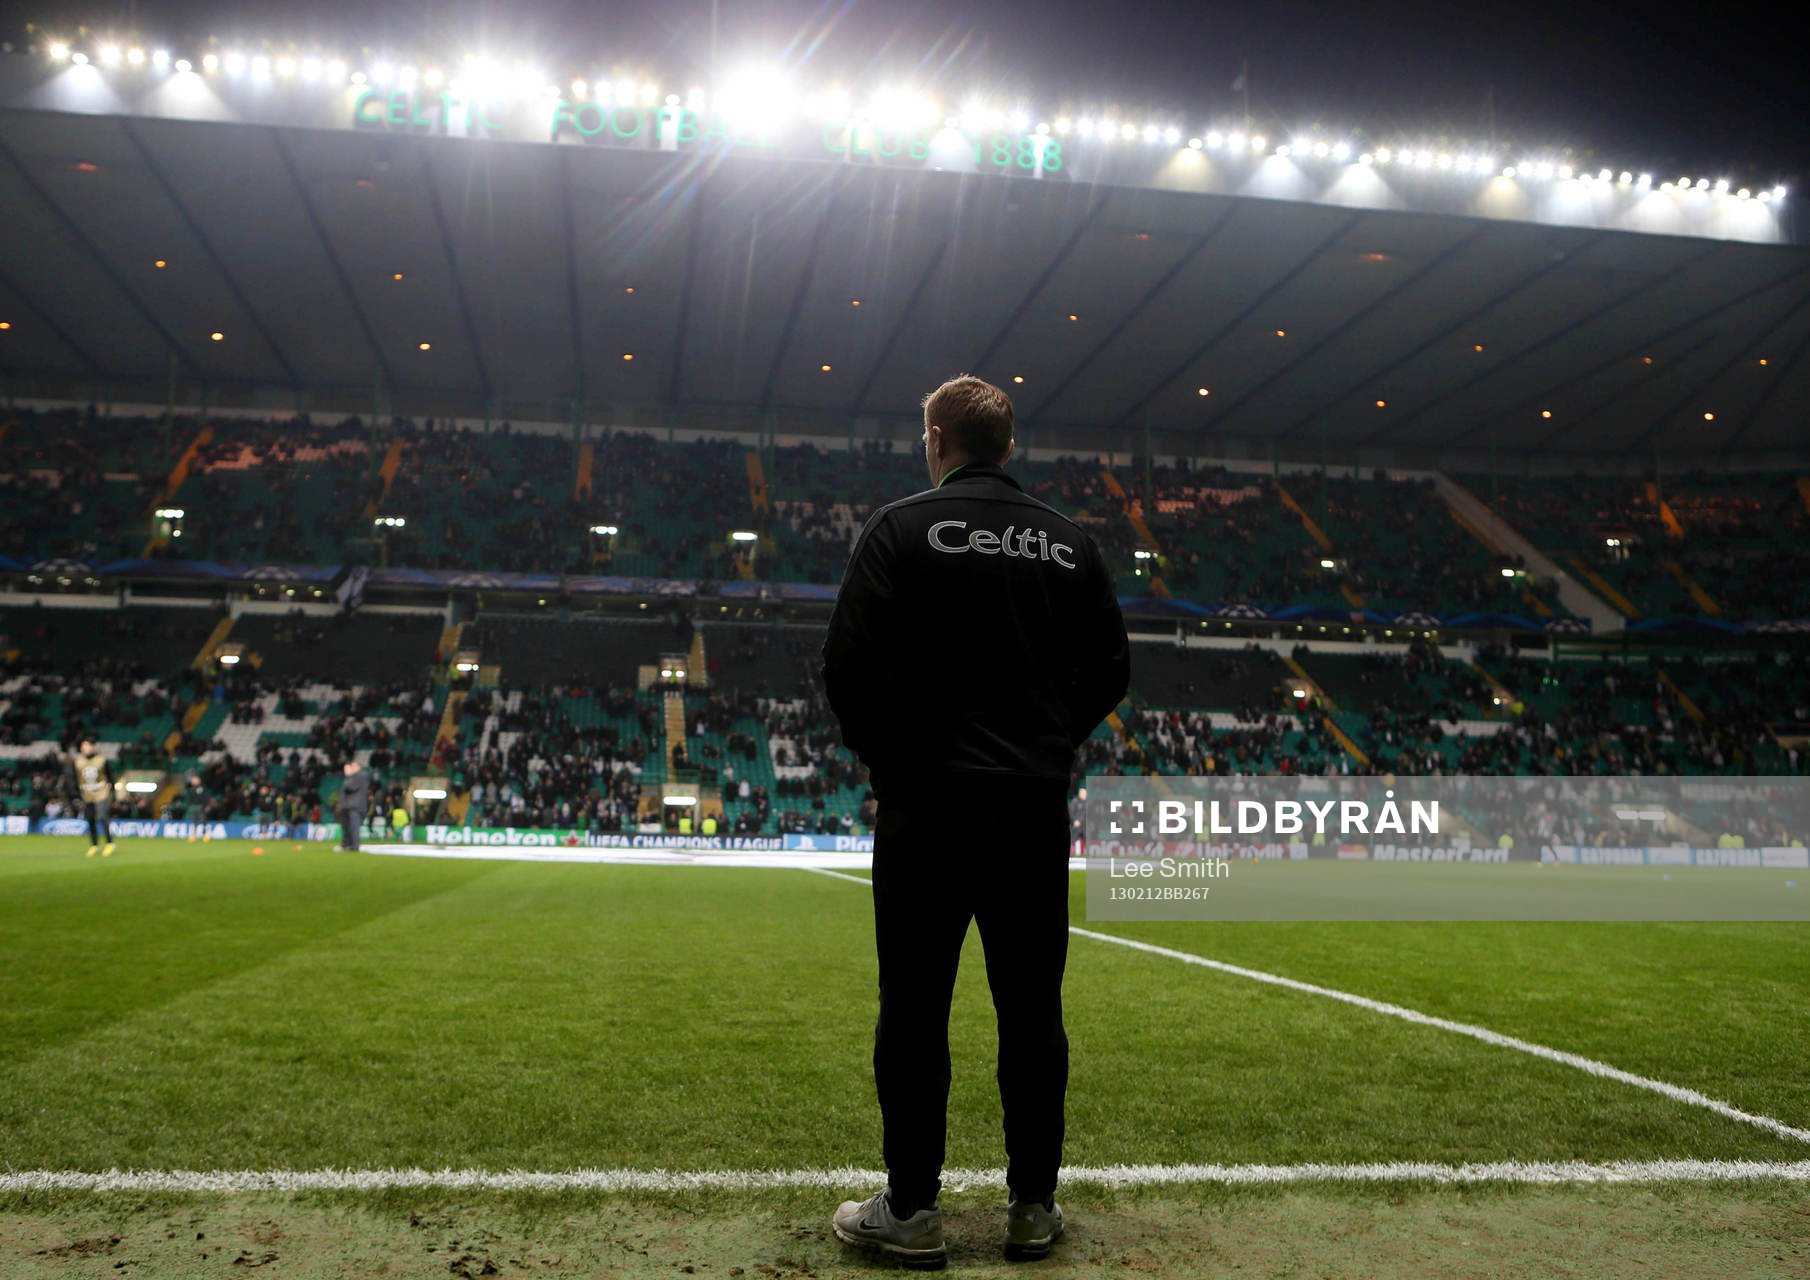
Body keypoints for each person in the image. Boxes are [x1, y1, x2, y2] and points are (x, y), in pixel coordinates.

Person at [822, 374, 1130, 1267]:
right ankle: (1033, 1207)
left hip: (926, 809)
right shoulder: (1071, 545)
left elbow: (845, 662)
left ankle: (912, 1212)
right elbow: (1111, 667)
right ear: (1006, 446)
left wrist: (896, 758)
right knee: (1032, 1012)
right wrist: (1048, 743)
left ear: (936, 440)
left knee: (913, 1011)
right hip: (1029, 812)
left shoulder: (900, 527)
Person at [70, 739, 116, 858]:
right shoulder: (78, 761)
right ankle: (94, 845)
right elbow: (75, 778)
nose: (84, 748)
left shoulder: (101, 760)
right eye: (82, 746)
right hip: (86, 793)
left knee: (102, 817)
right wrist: (76, 793)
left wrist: (113, 792)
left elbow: (110, 776)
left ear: (93, 747)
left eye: (86, 745)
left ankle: (109, 843)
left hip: (101, 792)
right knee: (90, 819)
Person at [334, 760, 371, 852]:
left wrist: (349, 777)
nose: (352, 768)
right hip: (349, 806)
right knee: (347, 827)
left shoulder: (361, 775)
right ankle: (347, 845)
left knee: (354, 827)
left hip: (355, 806)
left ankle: (355, 846)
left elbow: (350, 787)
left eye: (353, 766)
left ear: (359, 767)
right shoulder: (354, 777)